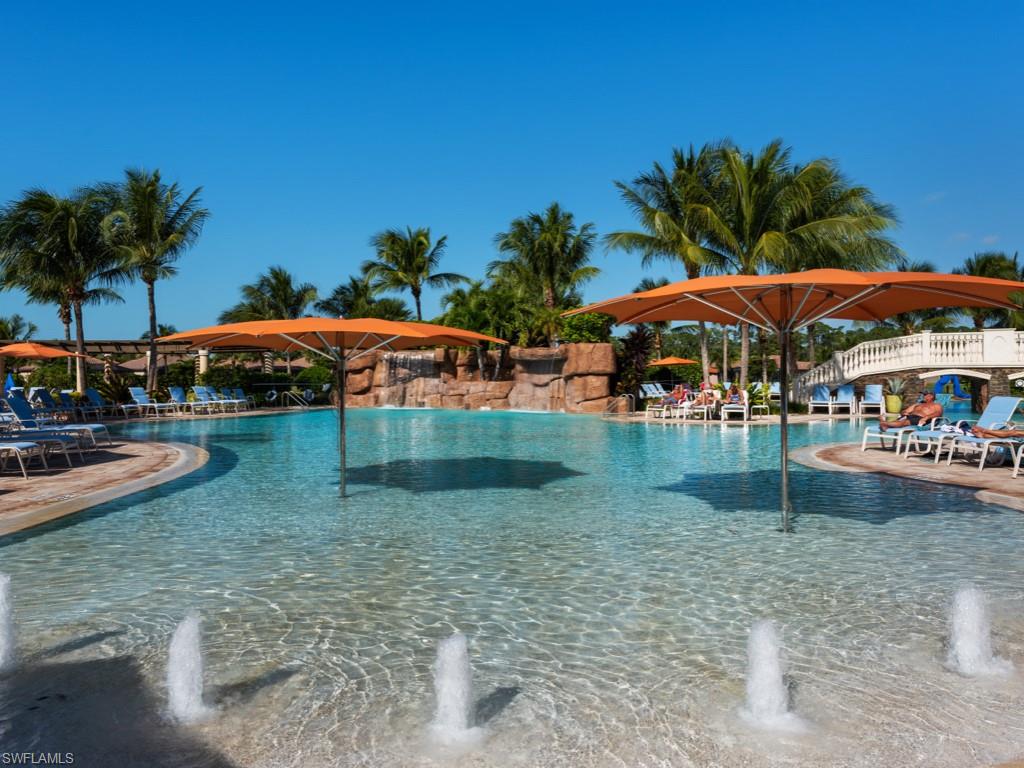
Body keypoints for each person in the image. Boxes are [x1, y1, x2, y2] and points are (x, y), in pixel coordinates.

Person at [878, 392, 943, 432]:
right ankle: (885, 424)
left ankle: (883, 422)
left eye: (925, 394)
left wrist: (926, 418)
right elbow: (905, 411)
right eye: (923, 394)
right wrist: (904, 412)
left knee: (904, 422)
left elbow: (938, 413)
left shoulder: (936, 405)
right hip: (909, 416)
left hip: (920, 418)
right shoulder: (918, 404)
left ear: (931, 396)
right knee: (899, 421)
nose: (923, 396)